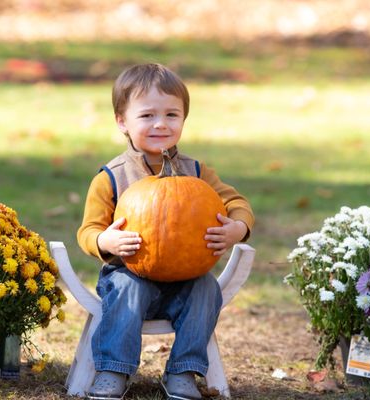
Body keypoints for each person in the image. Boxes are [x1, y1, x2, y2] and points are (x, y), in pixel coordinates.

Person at [77, 63, 254, 400]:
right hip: (127, 275)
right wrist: (104, 240)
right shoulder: (111, 177)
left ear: (184, 119)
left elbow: (236, 201)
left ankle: (183, 372)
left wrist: (238, 228)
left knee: (206, 289)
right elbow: (87, 230)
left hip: (185, 278)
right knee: (129, 287)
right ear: (122, 122)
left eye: (172, 114)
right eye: (147, 116)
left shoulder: (197, 172)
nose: (161, 123)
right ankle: (113, 368)